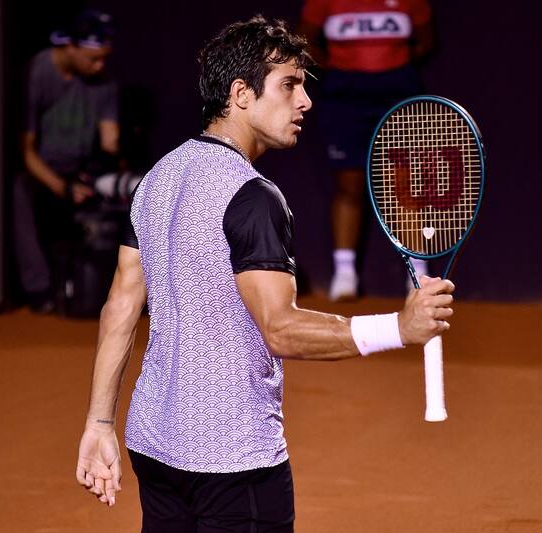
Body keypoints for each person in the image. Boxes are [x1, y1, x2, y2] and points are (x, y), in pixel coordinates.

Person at [75, 16, 454, 532]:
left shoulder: (157, 178)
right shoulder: (254, 197)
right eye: (289, 85)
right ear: (240, 94)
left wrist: (100, 422)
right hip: (235, 462)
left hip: (155, 446)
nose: (306, 102)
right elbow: (279, 328)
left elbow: (121, 305)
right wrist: (399, 329)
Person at [298, 0, 435, 300]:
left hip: (396, 93)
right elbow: (305, 38)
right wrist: (338, 70)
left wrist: (390, 69)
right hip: (345, 97)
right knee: (349, 186)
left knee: (404, 185)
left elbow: (425, 40)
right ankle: (345, 274)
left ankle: (417, 274)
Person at [13, 8, 119, 312]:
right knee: (21, 191)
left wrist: (102, 169)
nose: (100, 66)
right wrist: (63, 188)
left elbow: (110, 139)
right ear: (70, 46)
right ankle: (39, 290)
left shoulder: (104, 83)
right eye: (93, 58)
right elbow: (27, 152)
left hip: (83, 170)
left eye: (104, 58)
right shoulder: (38, 72)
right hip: (44, 170)